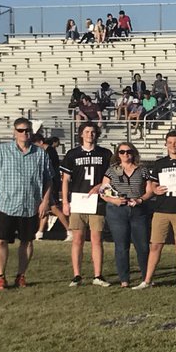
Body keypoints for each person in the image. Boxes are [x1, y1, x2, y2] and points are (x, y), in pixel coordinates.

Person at [0, 118, 54, 290]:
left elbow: (48, 179)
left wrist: (45, 201)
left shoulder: (40, 154)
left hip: (30, 205)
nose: (25, 133)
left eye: (27, 130)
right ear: (14, 132)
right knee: (1, 240)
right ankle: (0, 277)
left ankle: (21, 275)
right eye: (21, 130)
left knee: (27, 241)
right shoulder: (2, 150)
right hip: (6, 204)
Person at [137, 131, 176, 290]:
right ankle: (147, 280)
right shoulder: (160, 163)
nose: (173, 145)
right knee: (155, 245)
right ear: (166, 144)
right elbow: (153, 184)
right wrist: (155, 189)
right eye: (170, 142)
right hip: (162, 209)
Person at [60, 122, 113, 287]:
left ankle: (98, 275)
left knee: (97, 239)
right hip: (78, 201)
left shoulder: (105, 153)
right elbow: (65, 180)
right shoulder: (72, 154)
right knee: (77, 239)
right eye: (87, 131)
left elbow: (111, 177)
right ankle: (77, 275)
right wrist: (65, 202)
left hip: (97, 201)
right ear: (81, 134)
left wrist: (100, 186)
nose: (90, 134)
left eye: (93, 131)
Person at [101, 142, 152, 287]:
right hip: (117, 210)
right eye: (122, 152)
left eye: (128, 151)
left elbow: (149, 190)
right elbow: (103, 191)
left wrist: (140, 199)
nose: (125, 154)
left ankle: (146, 277)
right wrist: (114, 200)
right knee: (121, 246)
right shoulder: (111, 170)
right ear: (118, 154)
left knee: (142, 246)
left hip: (138, 210)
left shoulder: (142, 170)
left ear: (133, 153)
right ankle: (124, 279)